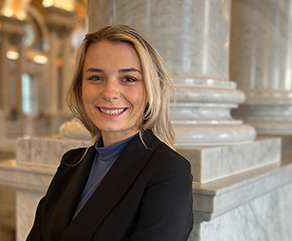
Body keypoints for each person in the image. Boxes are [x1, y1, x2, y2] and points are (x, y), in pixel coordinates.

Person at [27, 25, 193, 241]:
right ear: (80, 88)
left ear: (152, 90)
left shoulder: (168, 171)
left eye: (128, 79)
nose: (109, 93)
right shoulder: (71, 163)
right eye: (96, 78)